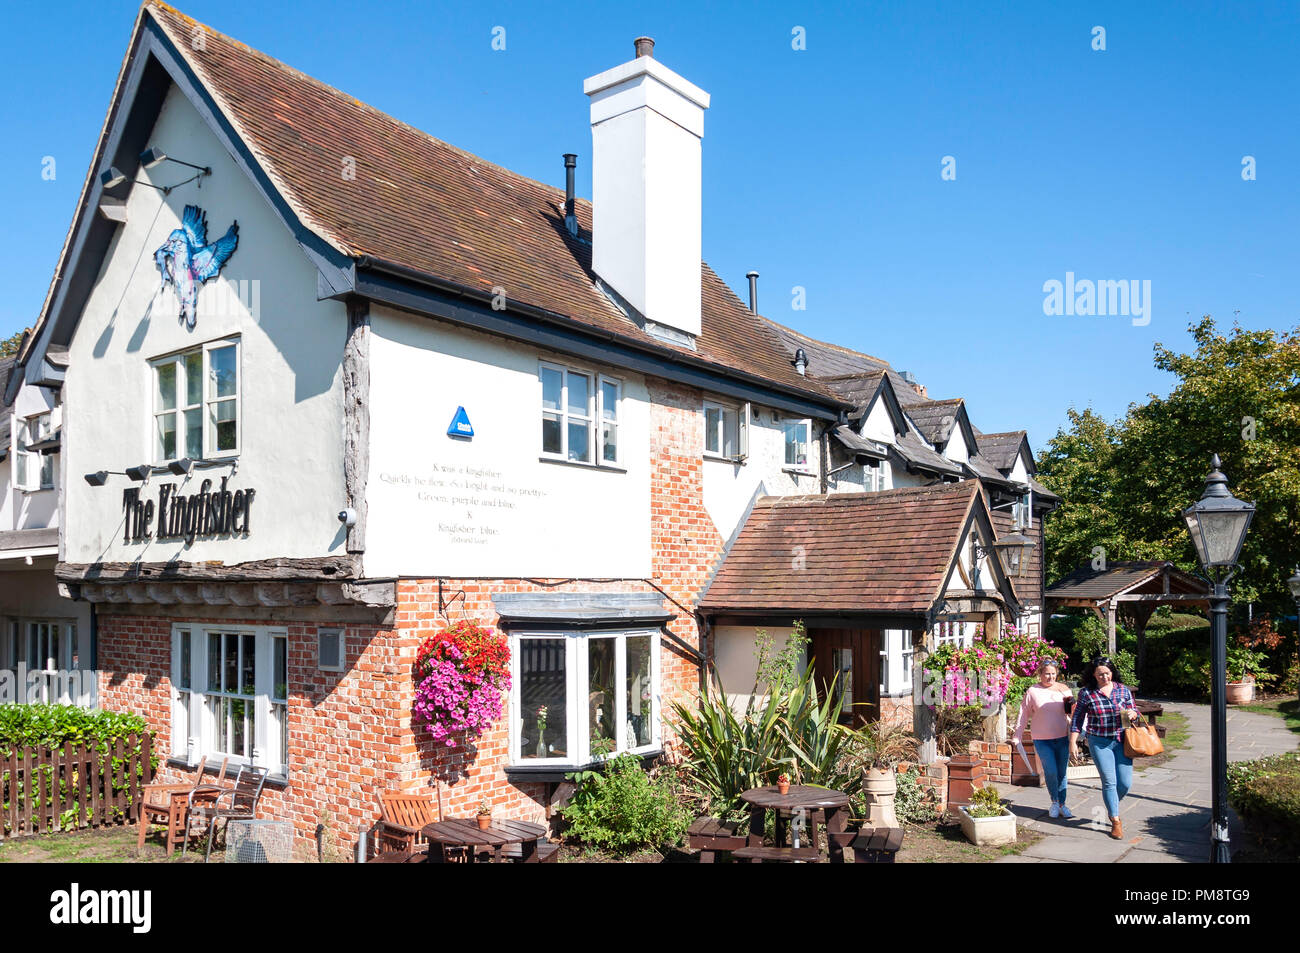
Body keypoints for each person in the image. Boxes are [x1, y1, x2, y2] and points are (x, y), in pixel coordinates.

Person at [1069, 657, 1143, 839]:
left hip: (1122, 740)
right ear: (1093, 675)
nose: (1105, 677)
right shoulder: (1087, 693)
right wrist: (1073, 742)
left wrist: (1133, 713)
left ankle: (1111, 804)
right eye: (1100, 674)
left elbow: (1132, 710)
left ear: (1112, 672)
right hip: (1099, 742)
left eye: (1107, 673)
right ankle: (1115, 820)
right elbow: (1078, 719)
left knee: (1125, 783)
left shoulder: (1122, 690)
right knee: (1109, 782)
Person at [1013, 660, 1074, 818]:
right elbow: (1023, 714)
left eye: (1053, 673)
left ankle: (1062, 804)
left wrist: (1076, 723)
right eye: (1047, 673)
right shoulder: (1033, 691)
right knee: (1051, 771)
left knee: (1062, 772)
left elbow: (1072, 712)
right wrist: (1017, 735)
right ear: (1040, 674)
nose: (1050, 677)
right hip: (1042, 738)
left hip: (1062, 737)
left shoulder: (1064, 689)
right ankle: (1054, 801)